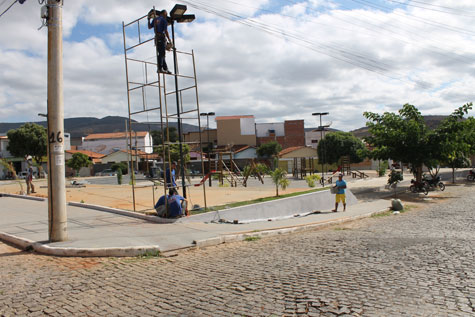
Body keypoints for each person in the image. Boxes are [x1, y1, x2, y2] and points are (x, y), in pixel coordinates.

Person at [148, 9, 172, 74]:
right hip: (161, 37)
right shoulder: (164, 20)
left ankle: (165, 68)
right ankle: (160, 68)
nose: (166, 15)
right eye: (166, 14)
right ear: (163, 13)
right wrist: (169, 39)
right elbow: (166, 31)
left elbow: (149, 27)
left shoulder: (155, 19)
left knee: (161, 53)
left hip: (157, 38)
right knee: (162, 54)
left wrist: (148, 19)